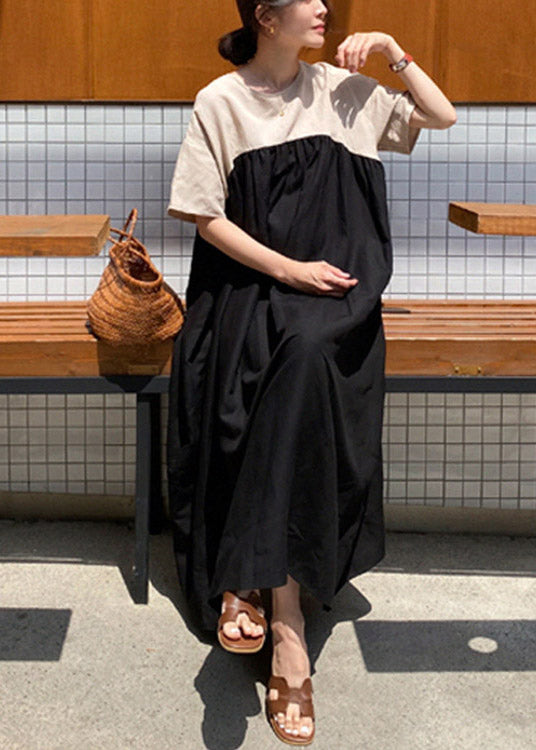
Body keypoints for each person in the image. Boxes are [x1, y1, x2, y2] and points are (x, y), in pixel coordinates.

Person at [166, 0, 457, 744]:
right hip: (251, 291)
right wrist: (288, 270)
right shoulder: (221, 101)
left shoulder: (345, 90)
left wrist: (392, 48)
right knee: (292, 364)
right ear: (266, 16)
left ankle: (252, 584)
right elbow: (204, 216)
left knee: (303, 357)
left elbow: (441, 115)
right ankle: (288, 625)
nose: (326, 7)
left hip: (338, 300)